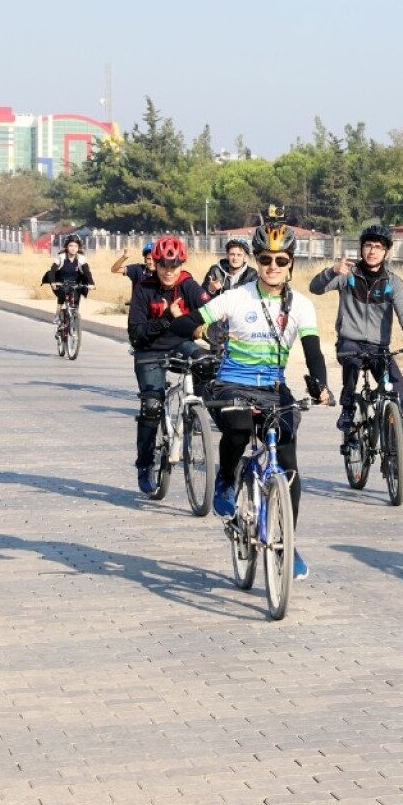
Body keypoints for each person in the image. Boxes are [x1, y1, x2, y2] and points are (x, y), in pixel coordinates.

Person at [167, 220, 333, 580]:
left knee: (288, 458)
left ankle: (287, 540)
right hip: (232, 385)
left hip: (273, 387)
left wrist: (320, 386)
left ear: (291, 263)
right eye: (265, 259)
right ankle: (227, 479)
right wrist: (184, 329)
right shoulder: (237, 297)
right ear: (256, 260)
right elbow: (194, 320)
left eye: (281, 260)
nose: (273, 267)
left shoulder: (301, 306)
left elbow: (313, 351)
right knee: (239, 430)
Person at [309, 224, 403, 431]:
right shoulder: (348, 275)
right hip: (349, 342)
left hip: (378, 348)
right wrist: (332, 271)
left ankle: (395, 450)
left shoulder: (393, 282)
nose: (372, 251)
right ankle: (347, 407)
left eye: (379, 247)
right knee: (352, 364)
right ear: (361, 248)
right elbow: (315, 288)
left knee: (399, 395)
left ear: (386, 252)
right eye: (368, 245)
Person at [127, 235, 210, 494]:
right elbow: (136, 334)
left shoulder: (188, 284)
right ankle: (145, 464)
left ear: (181, 264)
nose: (169, 271)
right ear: (155, 264)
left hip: (179, 345)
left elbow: (212, 309)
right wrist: (165, 318)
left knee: (206, 362)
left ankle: (199, 416)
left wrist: (220, 331)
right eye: (163, 265)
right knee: (152, 405)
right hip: (149, 351)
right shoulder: (144, 289)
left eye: (174, 266)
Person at [202, 237, 258, 352]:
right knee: (217, 361)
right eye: (232, 254)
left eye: (239, 255)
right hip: (218, 321)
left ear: (245, 257)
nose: (235, 258)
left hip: (241, 321)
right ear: (227, 255)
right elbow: (201, 297)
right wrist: (211, 289)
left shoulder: (252, 274)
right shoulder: (215, 271)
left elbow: (254, 301)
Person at [41, 234, 95, 316]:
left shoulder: (81, 258)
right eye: (71, 246)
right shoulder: (61, 257)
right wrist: (52, 282)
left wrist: (91, 283)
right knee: (62, 295)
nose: (73, 248)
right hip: (61, 283)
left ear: (78, 247)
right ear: (66, 246)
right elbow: (52, 271)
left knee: (77, 298)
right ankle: (58, 314)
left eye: (76, 246)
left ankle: (75, 318)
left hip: (75, 283)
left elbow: (87, 272)